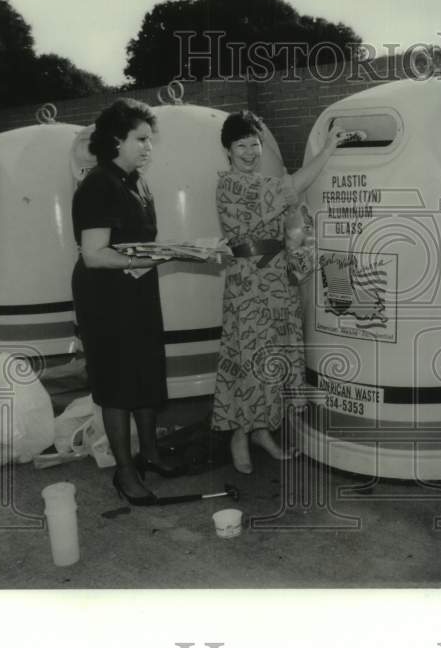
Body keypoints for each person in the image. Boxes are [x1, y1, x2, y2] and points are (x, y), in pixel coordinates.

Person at [212, 111, 347, 474]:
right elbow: (292, 188)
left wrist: (302, 239)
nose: (250, 151)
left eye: (254, 144)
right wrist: (330, 146)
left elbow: (292, 224)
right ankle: (239, 435)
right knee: (248, 357)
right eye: (241, 145)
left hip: (276, 280)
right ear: (227, 150)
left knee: (274, 359)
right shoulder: (231, 186)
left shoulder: (263, 181)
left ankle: (262, 431)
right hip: (248, 285)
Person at [71, 98, 183, 506]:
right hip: (106, 296)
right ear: (116, 139)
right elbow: (94, 253)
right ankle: (124, 472)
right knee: (118, 382)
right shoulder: (98, 184)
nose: (148, 146)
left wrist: (171, 250)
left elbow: (138, 239)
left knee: (146, 371)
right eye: (141, 139)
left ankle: (149, 455)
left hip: (137, 288)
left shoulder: (136, 180)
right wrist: (143, 259)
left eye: (150, 139)